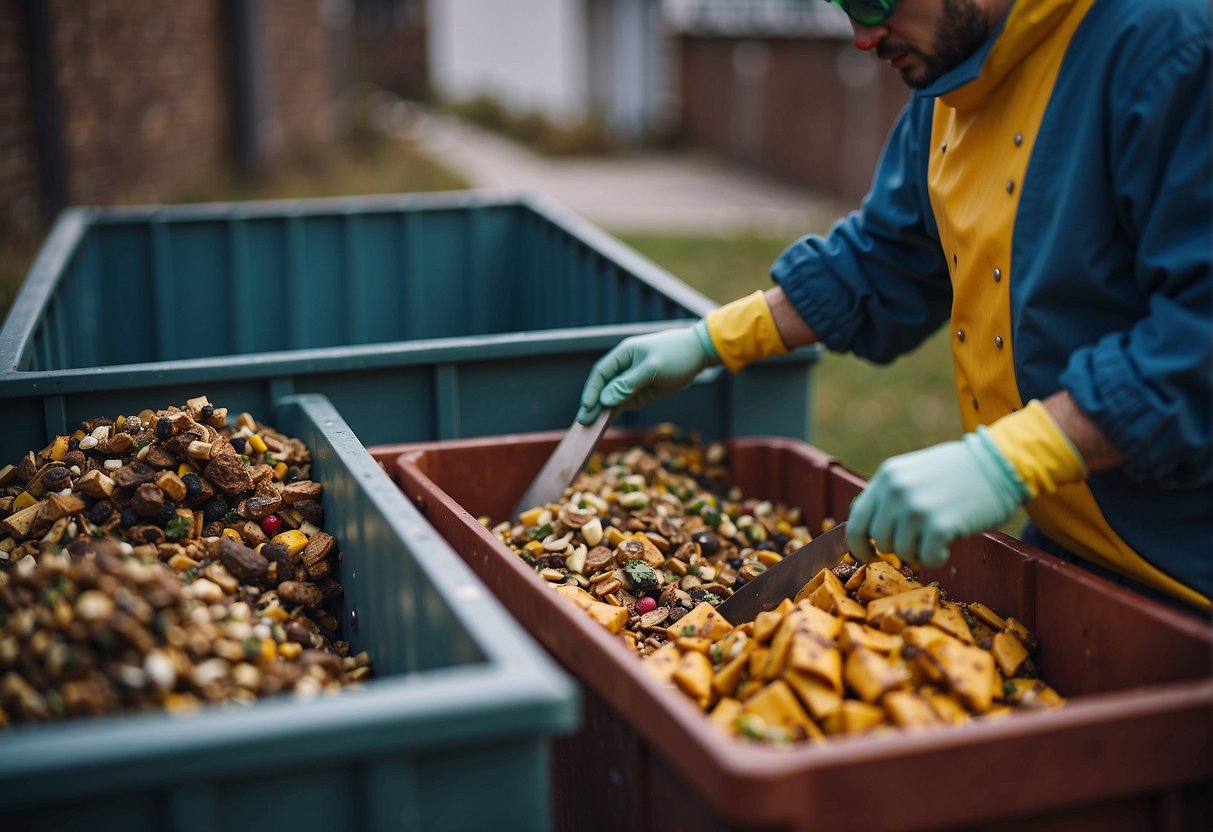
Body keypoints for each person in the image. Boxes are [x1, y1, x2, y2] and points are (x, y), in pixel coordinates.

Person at [575, 0, 1212, 613]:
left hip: (1185, 568)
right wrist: (713, 340)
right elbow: (888, 255)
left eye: (873, 1)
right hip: (1072, 544)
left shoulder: (1172, 44)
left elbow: (1200, 333)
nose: (861, 35)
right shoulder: (950, 76)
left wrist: (1012, 459)